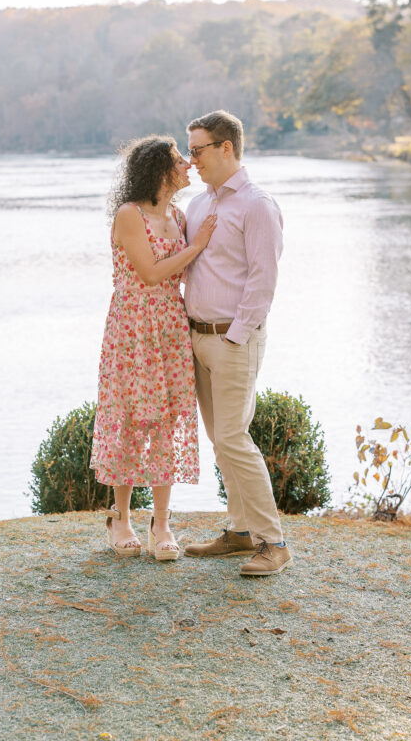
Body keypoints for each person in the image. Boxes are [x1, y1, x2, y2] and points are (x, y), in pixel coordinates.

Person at [90, 135, 216, 560]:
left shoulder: (179, 217)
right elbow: (148, 273)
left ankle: (161, 523)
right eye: (179, 160)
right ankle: (120, 517)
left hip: (169, 326)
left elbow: (179, 277)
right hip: (133, 328)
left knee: (167, 420)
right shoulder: (129, 215)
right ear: (159, 171)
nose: (187, 165)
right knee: (129, 419)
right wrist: (197, 247)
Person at [182, 110, 291, 576]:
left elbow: (263, 280)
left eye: (198, 150)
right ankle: (240, 530)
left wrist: (235, 337)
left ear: (226, 147)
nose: (192, 161)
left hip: (232, 339)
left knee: (232, 437)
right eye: (189, 151)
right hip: (196, 338)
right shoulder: (197, 206)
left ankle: (275, 542)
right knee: (219, 439)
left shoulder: (257, 204)